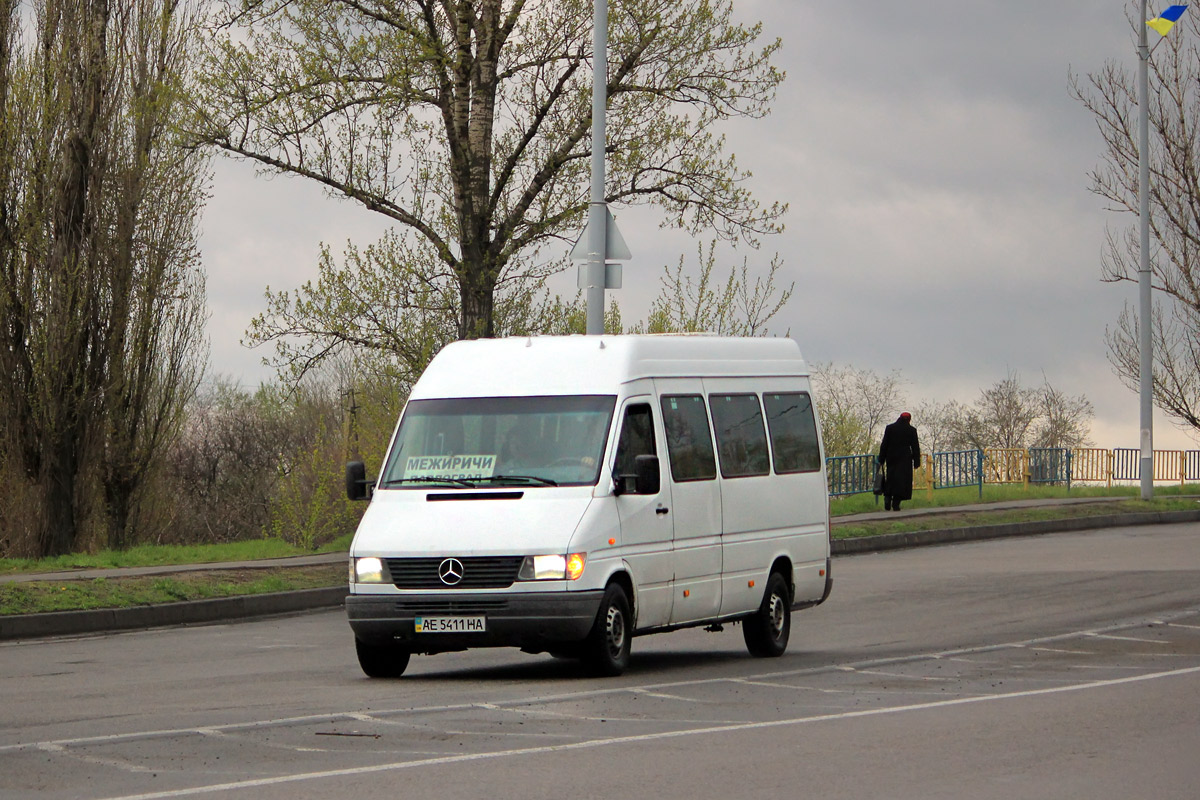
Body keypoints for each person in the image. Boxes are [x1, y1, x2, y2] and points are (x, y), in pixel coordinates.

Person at [877, 411, 921, 511]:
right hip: (905, 458)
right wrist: (916, 462)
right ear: (909, 420)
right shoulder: (911, 430)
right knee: (902, 481)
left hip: (891, 457)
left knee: (891, 478)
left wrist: (881, 459)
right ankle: (896, 503)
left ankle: (887, 497)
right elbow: (915, 447)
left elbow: (884, 444)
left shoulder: (890, 428)